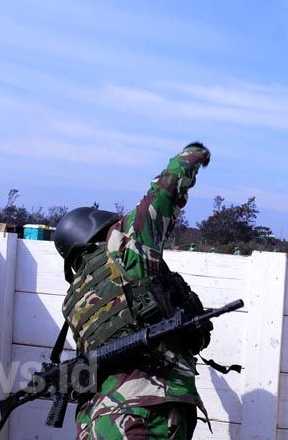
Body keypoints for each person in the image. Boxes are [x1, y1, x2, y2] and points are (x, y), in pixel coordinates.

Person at [54, 143, 212, 440]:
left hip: (99, 420)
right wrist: (192, 155)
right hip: (147, 413)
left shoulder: (74, 299)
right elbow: (164, 193)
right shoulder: (125, 246)